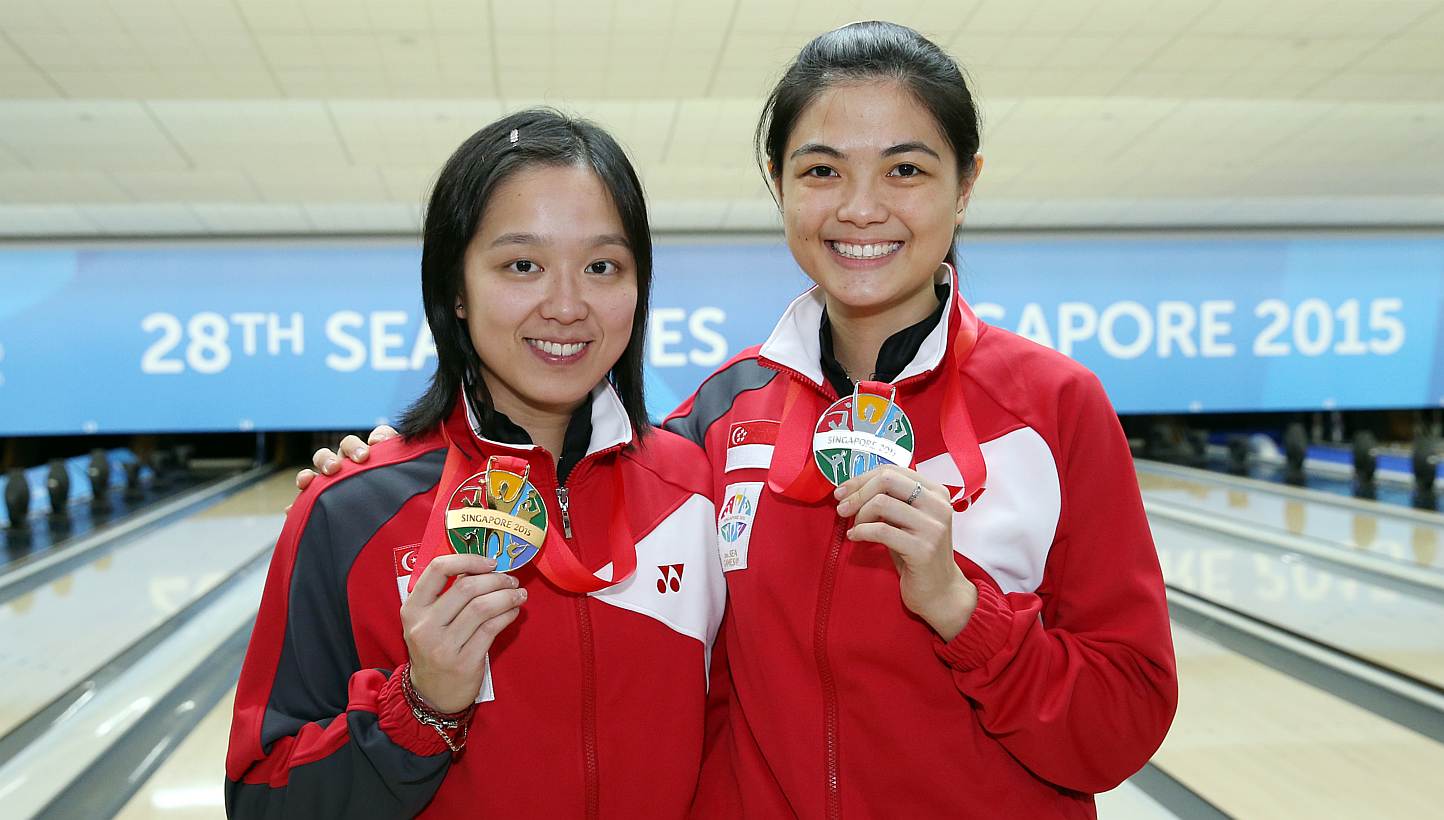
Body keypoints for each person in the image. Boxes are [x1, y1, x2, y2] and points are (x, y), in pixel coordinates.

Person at [309, 21, 1176, 818]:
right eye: (821, 170)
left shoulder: (1053, 407)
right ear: (779, 184)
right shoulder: (718, 422)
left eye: (906, 170)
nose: (861, 208)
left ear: (967, 184)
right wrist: (390, 466)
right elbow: (562, 470)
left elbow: (1122, 724)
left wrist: (962, 607)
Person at [228, 109, 726, 819]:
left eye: (602, 266)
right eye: (522, 265)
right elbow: (261, 798)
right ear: (455, 288)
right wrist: (419, 707)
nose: (566, 305)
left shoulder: (695, 488)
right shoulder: (349, 511)